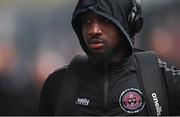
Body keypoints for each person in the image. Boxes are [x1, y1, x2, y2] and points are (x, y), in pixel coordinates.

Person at [39, 0, 180, 116]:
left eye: (105, 20)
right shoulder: (58, 85)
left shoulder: (164, 81)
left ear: (129, 23)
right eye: (87, 21)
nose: (94, 30)